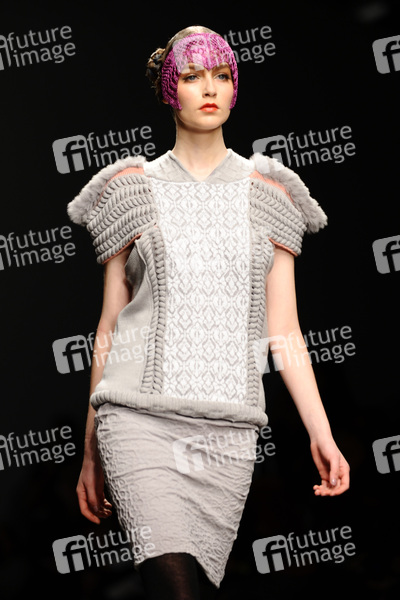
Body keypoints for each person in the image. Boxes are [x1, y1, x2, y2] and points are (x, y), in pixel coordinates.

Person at [67, 24, 350, 600]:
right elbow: (110, 327)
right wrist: (91, 449)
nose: (210, 87)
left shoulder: (270, 194)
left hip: (227, 430)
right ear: (168, 89)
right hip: (137, 420)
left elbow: (284, 329)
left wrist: (321, 433)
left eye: (222, 75)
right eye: (193, 76)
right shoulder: (131, 189)